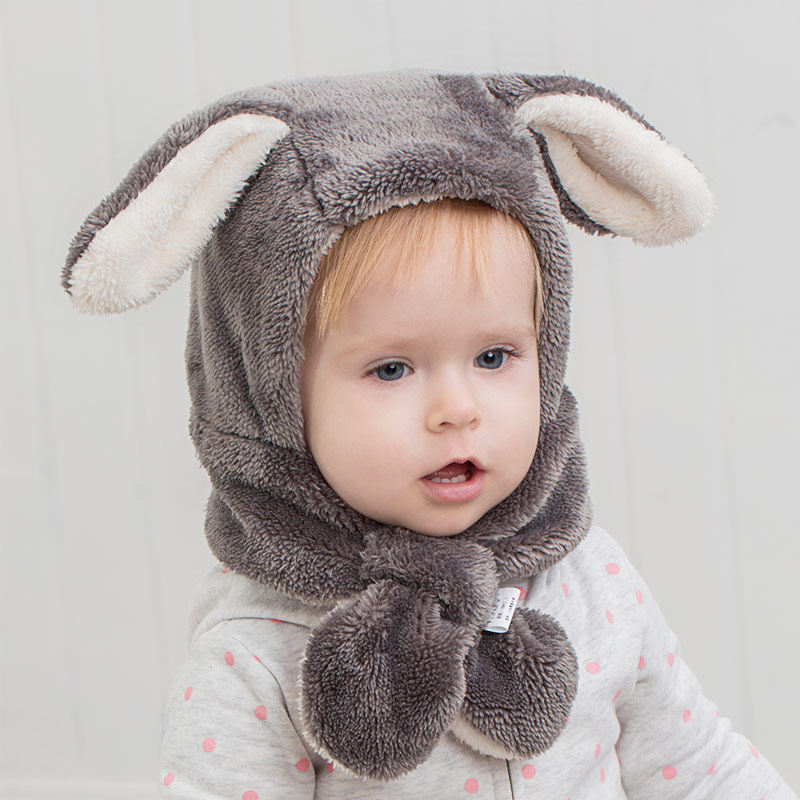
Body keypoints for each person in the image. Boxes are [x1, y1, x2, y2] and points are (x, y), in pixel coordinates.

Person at [63, 71, 798, 798]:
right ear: (269, 395)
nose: (456, 409)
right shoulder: (260, 644)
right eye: (391, 369)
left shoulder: (591, 580)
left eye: (494, 357)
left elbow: (700, 768)